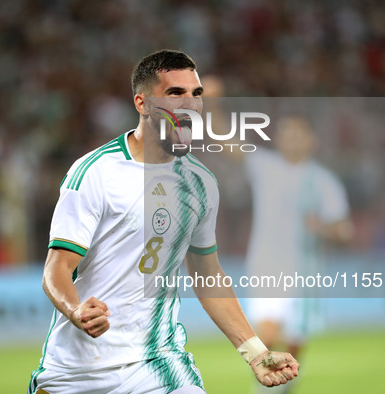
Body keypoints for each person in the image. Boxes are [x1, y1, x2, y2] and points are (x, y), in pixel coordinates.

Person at [27, 49, 299, 394]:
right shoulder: (95, 172)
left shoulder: (200, 183)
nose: (191, 104)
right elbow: (57, 267)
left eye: (196, 94)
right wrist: (76, 309)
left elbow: (207, 275)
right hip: (77, 371)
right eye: (175, 93)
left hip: (158, 365)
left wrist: (254, 351)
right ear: (142, 104)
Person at [242, 116, 353, 393]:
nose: (291, 139)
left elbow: (345, 231)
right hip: (265, 265)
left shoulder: (323, 181)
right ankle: (269, 384)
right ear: (278, 139)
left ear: (311, 141)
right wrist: (214, 105)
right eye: (286, 134)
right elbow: (226, 141)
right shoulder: (264, 166)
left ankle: (282, 384)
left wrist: (323, 228)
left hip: (303, 271)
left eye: (298, 134)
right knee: (266, 334)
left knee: (294, 340)